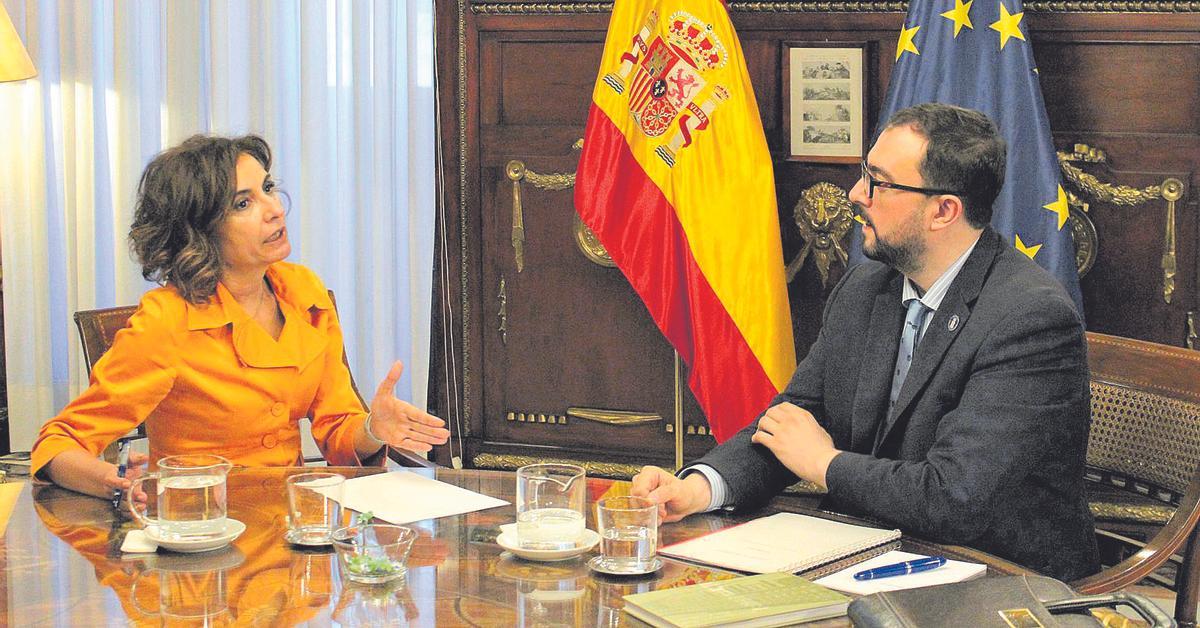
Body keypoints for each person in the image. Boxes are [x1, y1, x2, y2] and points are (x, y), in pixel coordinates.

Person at [632, 103, 1099, 580]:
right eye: (863, 174)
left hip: (997, 578)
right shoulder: (865, 288)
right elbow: (793, 422)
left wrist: (825, 464)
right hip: (870, 551)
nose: (856, 194)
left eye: (879, 182)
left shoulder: (1029, 319)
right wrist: (698, 488)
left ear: (943, 211)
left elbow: (953, 498)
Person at [32, 134, 450, 500]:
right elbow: (58, 443)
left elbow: (338, 429)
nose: (275, 209)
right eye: (243, 203)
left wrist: (373, 428)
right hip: (200, 532)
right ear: (199, 230)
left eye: (268, 188)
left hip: (294, 530)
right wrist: (110, 481)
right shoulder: (166, 321)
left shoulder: (303, 292)